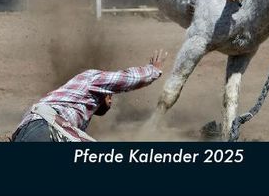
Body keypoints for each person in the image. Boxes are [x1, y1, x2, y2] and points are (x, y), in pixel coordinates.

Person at [11, 49, 167, 142]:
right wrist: (153, 70)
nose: (111, 101)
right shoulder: (92, 78)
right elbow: (126, 79)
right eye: (110, 95)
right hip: (44, 126)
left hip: (31, 131)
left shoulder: (75, 106)